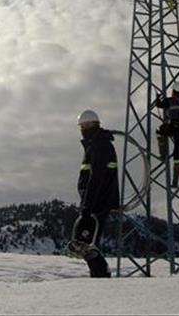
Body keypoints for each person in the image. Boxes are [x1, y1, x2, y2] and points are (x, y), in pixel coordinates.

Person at [74, 109, 120, 278]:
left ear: (94, 125)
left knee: (85, 243)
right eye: (81, 126)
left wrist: (87, 206)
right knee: (85, 243)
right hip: (96, 201)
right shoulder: (96, 144)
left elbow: (96, 177)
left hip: (97, 203)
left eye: (86, 126)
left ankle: (101, 276)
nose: (83, 129)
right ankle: (99, 275)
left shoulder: (100, 145)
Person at [154, 81, 179, 188]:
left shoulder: (171, 101)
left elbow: (159, 105)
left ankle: (163, 154)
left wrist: (158, 98)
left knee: (161, 131)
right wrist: (159, 99)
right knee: (177, 156)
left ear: (173, 92)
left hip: (177, 129)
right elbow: (160, 105)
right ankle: (174, 181)